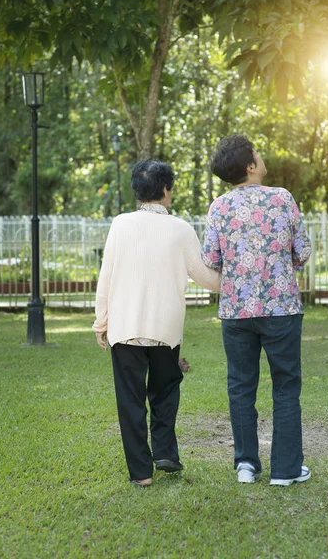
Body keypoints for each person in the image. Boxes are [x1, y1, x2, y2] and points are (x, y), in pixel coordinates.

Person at [93, 159, 220, 487]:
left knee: (130, 400)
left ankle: (141, 474)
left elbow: (106, 277)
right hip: (165, 329)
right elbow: (207, 277)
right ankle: (164, 452)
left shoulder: (120, 224)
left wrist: (101, 322)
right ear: (165, 190)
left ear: (137, 191)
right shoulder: (180, 229)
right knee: (164, 391)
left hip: (125, 327)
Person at [202, 134, 312, 486]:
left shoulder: (219, 207)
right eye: (257, 154)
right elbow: (302, 252)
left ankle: (246, 465)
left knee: (240, 386)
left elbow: (211, 260)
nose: (262, 158)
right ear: (251, 165)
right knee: (285, 386)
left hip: (236, 311)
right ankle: (285, 469)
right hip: (281, 308)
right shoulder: (282, 198)